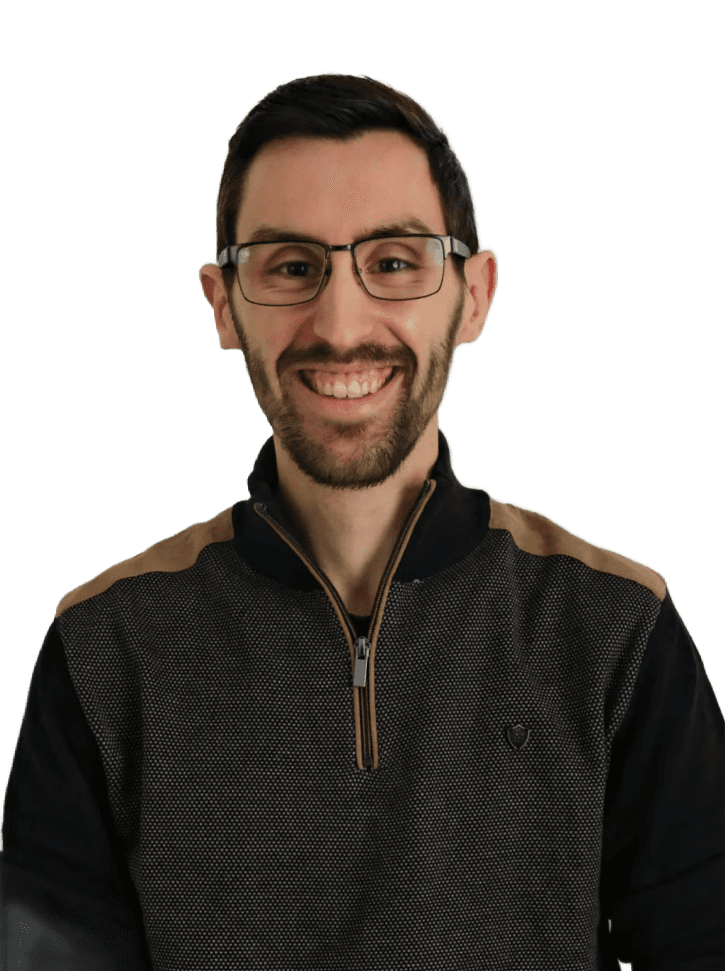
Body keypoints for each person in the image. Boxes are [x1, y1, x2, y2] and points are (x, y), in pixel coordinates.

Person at [1, 72, 723, 971]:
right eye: (291, 266)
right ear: (223, 303)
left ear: (475, 293)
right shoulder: (104, 651)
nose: (341, 324)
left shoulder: (617, 630)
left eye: (394, 262)